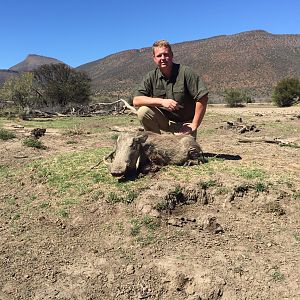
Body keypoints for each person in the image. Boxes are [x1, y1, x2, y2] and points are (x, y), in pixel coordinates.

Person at [132, 40, 208, 137]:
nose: (163, 58)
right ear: (154, 58)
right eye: (159, 56)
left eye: (166, 54)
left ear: (172, 55)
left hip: (184, 124)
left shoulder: (185, 72)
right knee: (143, 111)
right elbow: (136, 100)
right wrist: (162, 102)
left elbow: (203, 97)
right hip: (165, 121)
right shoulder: (151, 76)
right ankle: (155, 143)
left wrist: (194, 124)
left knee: (185, 151)